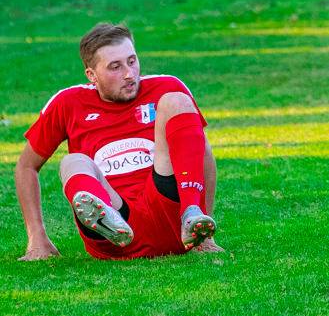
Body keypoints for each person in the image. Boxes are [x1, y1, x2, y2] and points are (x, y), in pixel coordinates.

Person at [14, 23, 220, 261]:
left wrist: (206, 237)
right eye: (115, 67)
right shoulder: (67, 103)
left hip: (171, 218)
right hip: (117, 230)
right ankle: (106, 219)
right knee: (73, 161)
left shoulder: (167, 86)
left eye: (132, 61)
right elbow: (26, 167)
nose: (129, 74)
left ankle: (192, 215)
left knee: (177, 102)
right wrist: (37, 237)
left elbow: (201, 151)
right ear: (92, 75)